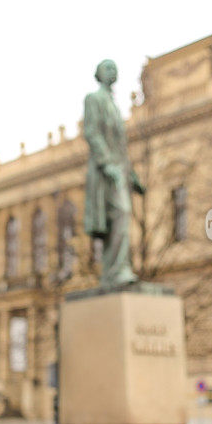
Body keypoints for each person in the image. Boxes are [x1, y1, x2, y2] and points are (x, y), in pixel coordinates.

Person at [82, 59, 146, 288]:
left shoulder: (114, 104)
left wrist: (133, 176)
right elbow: (92, 133)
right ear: (98, 74)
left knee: (120, 220)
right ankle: (117, 270)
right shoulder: (94, 99)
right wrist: (108, 164)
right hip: (105, 171)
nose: (112, 70)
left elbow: (120, 146)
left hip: (120, 171)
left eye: (114, 67)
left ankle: (114, 271)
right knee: (119, 215)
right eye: (106, 67)